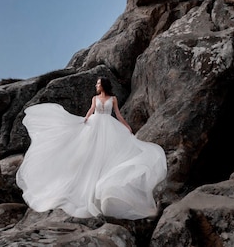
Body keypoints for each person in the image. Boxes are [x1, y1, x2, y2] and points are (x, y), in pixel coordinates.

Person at [16, 77, 167, 219]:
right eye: (96, 84)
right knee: (89, 154)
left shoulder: (113, 99)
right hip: (94, 125)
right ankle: (87, 188)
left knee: (106, 155)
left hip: (109, 126)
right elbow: (90, 110)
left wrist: (127, 126)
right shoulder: (94, 99)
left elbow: (118, 114)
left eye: (98, 83)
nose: (96, 85)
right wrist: (84, 120)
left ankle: (100, 188)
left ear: (103, 85)